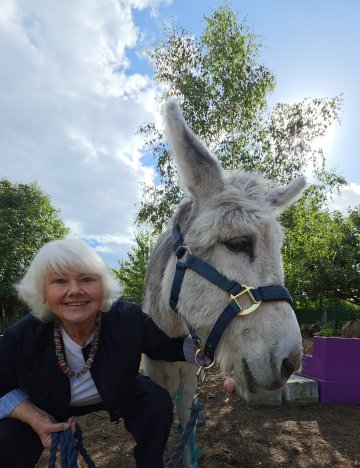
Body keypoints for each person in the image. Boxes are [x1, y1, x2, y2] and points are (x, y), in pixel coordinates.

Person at [0, 238, 200, 468]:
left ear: (103, 287)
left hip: (118, 390)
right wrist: (35, 417)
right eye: (59, 281)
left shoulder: (129, 318)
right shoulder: (22, 336)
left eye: (86, 279)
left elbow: (168, 346)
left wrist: (211, 345)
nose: (74, 291)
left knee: (156, 402)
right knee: (5, 440)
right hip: (45, 403)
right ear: (43, 292)